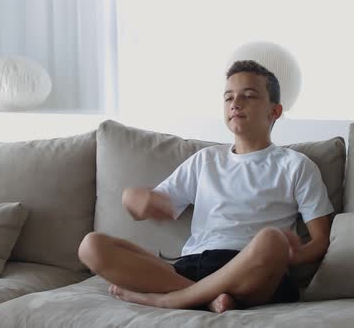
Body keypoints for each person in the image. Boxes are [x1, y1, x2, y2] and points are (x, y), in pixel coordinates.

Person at [78, 60, 334, 313]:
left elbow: (321, 239)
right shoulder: (206, 160)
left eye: (249, 96)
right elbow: (147, 205)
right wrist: (131, 198)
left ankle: (168, 299)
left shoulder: (296, 165)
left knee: (271, 239)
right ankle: (205, 297)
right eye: (228, 97)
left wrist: (289, 255)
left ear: (274, 111)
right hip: (191, 266)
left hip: (249, 270)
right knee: (91, 246)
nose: (235, 103)